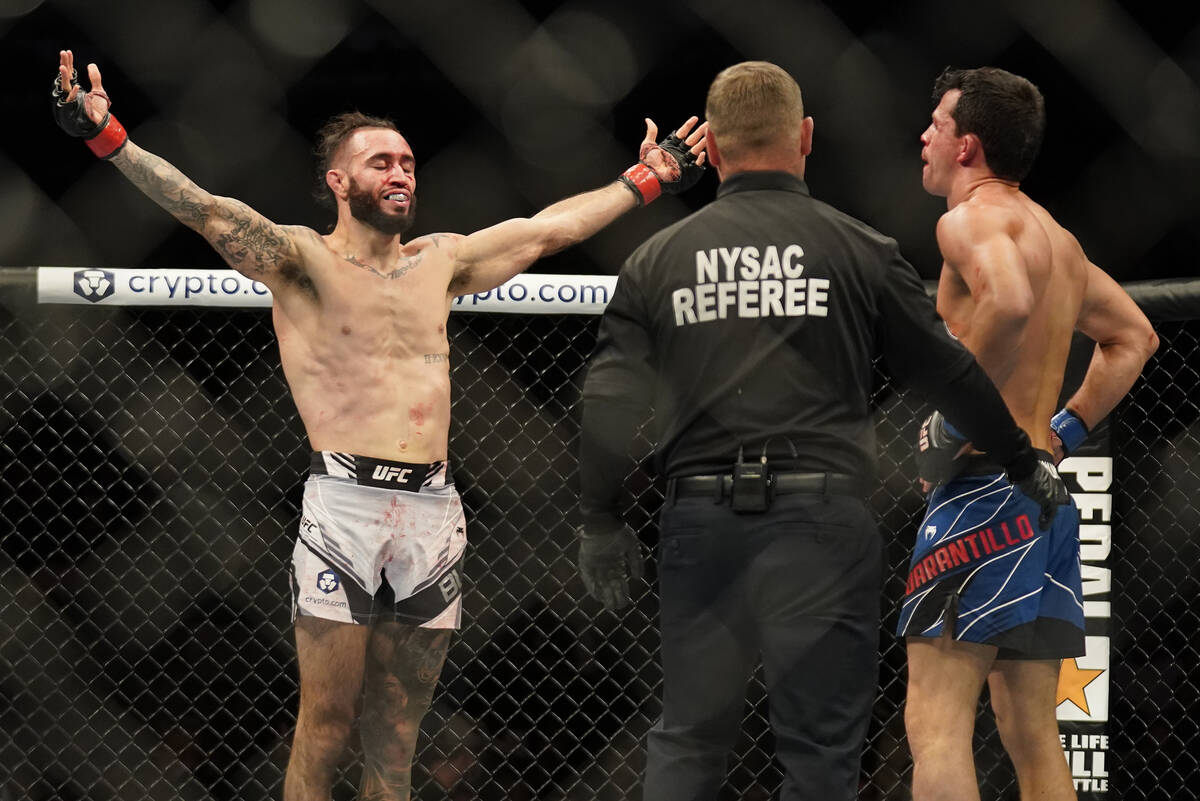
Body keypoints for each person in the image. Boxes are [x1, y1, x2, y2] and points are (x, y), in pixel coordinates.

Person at [51, 49, 707, 801]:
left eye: (407, 162)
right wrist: (108, 138)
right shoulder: (298, 259)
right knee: (325, 724)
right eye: (380, 162)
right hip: (344, 506)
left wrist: (645, 179)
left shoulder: (443, 260)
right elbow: (200, 204)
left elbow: (548, 229)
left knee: (397, 736)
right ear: (339, 180)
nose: (401, 173)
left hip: (432, 506)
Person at [576, 60, 1068, 801]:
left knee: (689, 735)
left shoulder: (658, 257)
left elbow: (608, 396)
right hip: (820, 519)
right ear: (804, 137)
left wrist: (599, 517)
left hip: (703, 519)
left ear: (710, 145)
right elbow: (949, 371)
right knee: (822, 749)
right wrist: (1018, 456)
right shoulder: (858, 247)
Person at [898, 67, 1159, 801]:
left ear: (969, 146)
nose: (924, 137)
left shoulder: (969, 221)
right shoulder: (1062, 242)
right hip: (1045, 494)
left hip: (979, 491)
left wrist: (953, 425)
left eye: (937, 125)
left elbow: (1008, 300)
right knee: (1034, 736)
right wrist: (1063, 432)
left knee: (937, 723)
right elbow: (1134, 337)